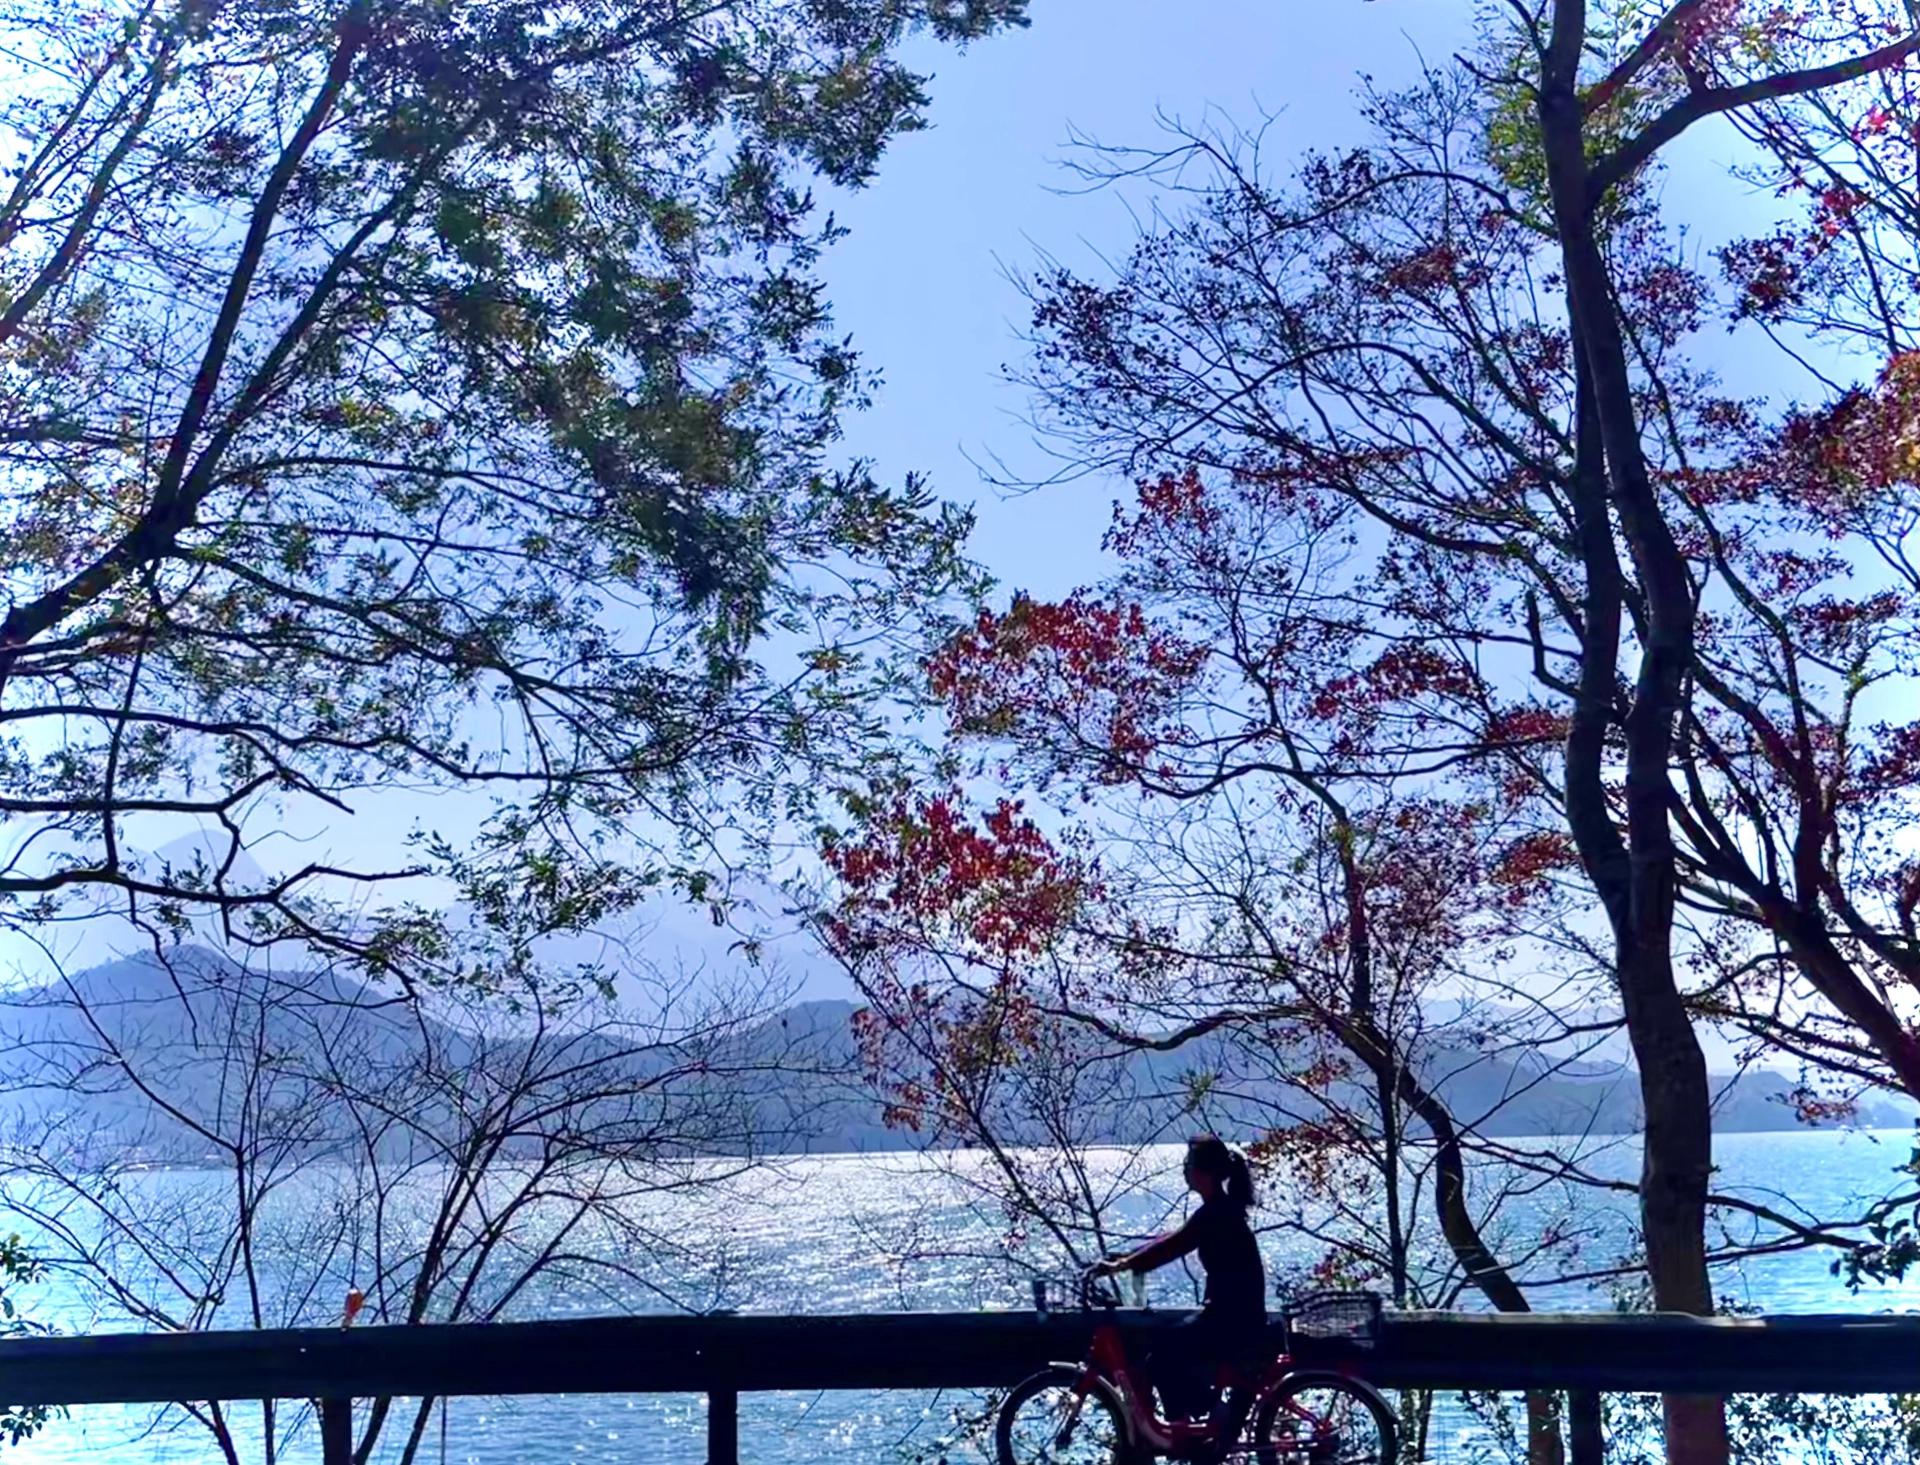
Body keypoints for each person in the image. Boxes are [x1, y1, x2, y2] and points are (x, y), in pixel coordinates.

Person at [1092, 1135, 1267, 1432]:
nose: (1185, 1171)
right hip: (1236, 1317)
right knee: (1167, 1354)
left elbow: (1173, 1246)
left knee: (1161, 1359)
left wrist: (1123, 1265)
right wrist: (1125, 1258)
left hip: (1232, 1321)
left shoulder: (1216, 1214)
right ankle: (1185, 1430)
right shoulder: (1220, 1210)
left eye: (1189, 1165)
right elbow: (1170, 1241)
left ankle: (1209, 1414)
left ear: (1205, 1172)